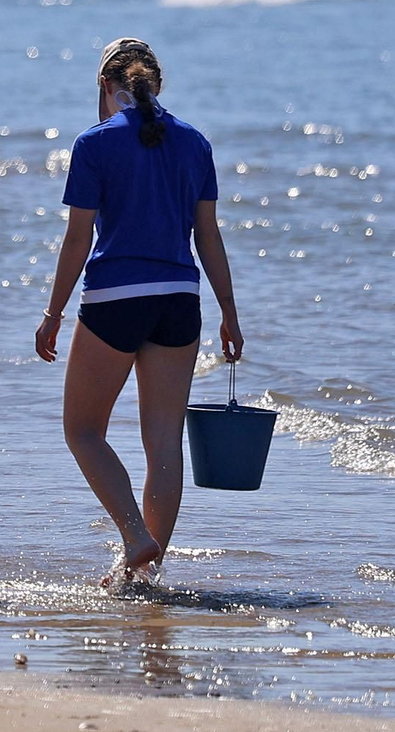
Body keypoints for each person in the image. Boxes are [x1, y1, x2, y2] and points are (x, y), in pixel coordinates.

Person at [35, 38, 243, 586]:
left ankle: (133, 535)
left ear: (107, 86)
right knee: (163, 442)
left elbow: (78, 240)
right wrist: (229, 311)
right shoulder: (195, 143)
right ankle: (142, 577)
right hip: (180, 299)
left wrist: (53, 312)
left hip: (115, 299)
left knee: (82, 430)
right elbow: (208, 237)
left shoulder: (94, 144)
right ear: (157, 84)